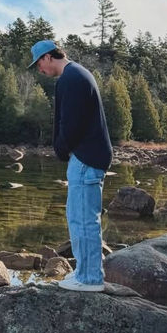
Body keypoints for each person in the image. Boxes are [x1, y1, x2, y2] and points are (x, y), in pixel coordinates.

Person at [28, 39, 112, 292]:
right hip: (87, 155)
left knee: (84, 220)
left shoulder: (71, 78)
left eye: (38, 64)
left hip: (86, 157)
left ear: (47, 57)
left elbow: (70, 123)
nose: (40, 70)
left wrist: (61, 149)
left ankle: (90, 279)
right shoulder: (77, 74)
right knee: (78, 217)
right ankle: (85, 274)